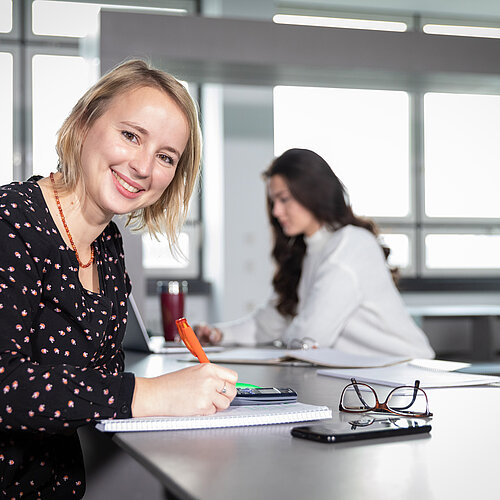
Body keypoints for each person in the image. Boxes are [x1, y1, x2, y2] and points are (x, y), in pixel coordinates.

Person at [0, 59, 237, 499]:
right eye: (131, 135)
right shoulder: (10, 220)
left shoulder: (108, 246)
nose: (144, 167)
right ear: (83, 123)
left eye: (166, 157)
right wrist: (149, 395)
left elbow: (100, 381)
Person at [197, 148, 434, 359]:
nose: (276, 211)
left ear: (312, 193)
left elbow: (311, 337)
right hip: (364, 378)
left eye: (284, 199)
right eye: (273, 202)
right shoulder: (305, 252)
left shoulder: (350, 244)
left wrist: (286, 336)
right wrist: (219, 333)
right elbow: (270, 323)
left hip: (409, 376)